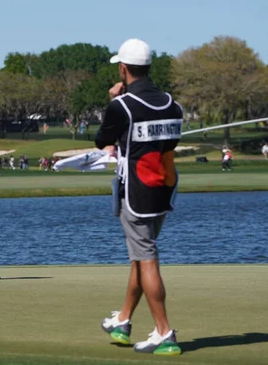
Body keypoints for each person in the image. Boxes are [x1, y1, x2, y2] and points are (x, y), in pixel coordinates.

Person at [95, 39, 182, 355]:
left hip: (136, 193)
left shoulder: (122, 106)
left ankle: (164, 333)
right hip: (163, 189)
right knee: (141, 256)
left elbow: (102, 139)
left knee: (146, 258)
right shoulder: (173, 104)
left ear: (123, 68)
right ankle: (123, 320)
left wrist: (117, 100)